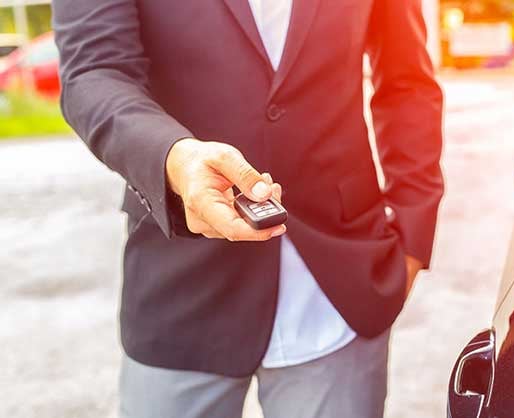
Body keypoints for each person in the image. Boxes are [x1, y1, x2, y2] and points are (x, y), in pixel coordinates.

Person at [52, 0, 444, 417]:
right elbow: (93, 73)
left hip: (341, 285)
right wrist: (173, 158)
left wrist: (413, 238)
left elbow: (407, 83)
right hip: (181, 283)